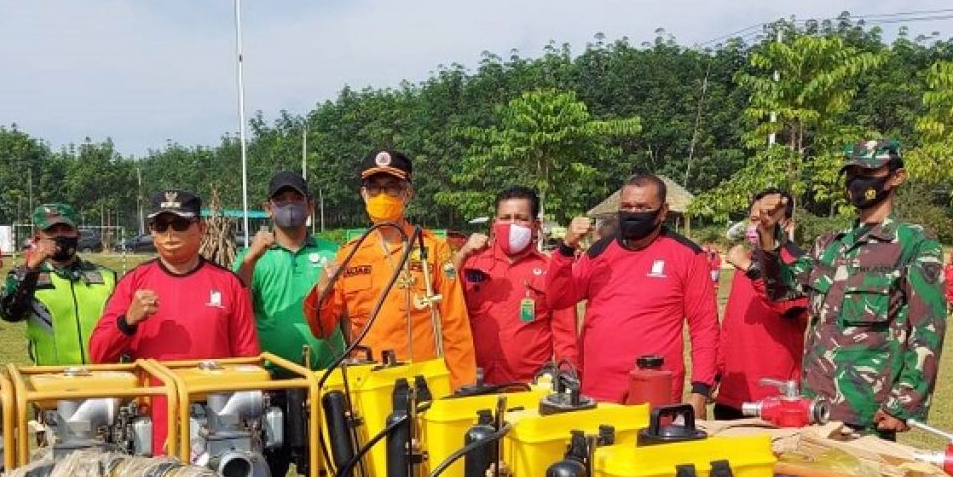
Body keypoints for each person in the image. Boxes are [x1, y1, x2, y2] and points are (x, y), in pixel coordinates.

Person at [754, 139, 946, 437]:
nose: (858, 181)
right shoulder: (830, 244)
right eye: (852, 172)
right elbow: (783, 290)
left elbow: (928, 330)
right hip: (812, 406)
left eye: (868, 172)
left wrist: (904, 405)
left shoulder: (914, 244)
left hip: (867, 413)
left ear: (896, 177)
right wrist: (768, 236)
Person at [89, 190, 259, 454]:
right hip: (151, 432)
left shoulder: (229, 285)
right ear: (152, 232)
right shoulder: (133, 284)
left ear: (200, 229)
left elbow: (249, 363)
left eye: (180, 224)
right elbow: (98, 354)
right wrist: (128, 321)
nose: (170, 234)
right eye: (160, 225)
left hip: (216, 429)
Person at [545, 173, 719, 414]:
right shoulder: (600, 252)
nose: (633, 213)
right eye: (627, 207)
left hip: (655, 388)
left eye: (643, 207)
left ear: (662, 211)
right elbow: (557, 298)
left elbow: (704, 327)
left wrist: (700, 390)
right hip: (598, 388)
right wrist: (565, 250)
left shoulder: (688, 256)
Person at [304, 149, 476, 392]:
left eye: (392, 187)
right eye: (374, 188)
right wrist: (322, 288)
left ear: (407, 194)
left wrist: (462, 389)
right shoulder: (349, 254)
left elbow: (455, 325)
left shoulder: (434, 249)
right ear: (364, 194)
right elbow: (321, 329)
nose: (382, 195)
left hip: (424, 383)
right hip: (369, 385)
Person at [234, 171, 342, 477]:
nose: (289, 206)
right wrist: (251, 258)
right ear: (268, 208)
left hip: (323, 381)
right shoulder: (253, 257)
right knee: (270, 476)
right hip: (273, 385)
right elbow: (235, 303)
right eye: (281, 200)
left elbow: (348, 313)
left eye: (296, 199)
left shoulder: (332, 254)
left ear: (310, 207)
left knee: (328, 475)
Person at [453, 186, 579, 384]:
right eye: (505, 218)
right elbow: (442, 301)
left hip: (527, 385)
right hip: (473, 382)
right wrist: (461, 255)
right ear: (494, 224)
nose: (512, 224)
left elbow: (565, 334)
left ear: (535, 225)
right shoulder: (472, 263)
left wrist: (567, 375)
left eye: (521, 218)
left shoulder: (551, 271)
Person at [715, 189, 808, 419]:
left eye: (768, 218)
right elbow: (730, 326)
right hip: (732, 393)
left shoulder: (799, 263)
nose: (759, 225)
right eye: (755, 219)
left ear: (786, 223)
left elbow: (786, 305)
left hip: (773, 397)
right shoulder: (746, 261)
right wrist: (716, 374)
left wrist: (751, 269)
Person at [0, 203, 117, 365]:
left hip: (104, 377)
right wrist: (31, 269)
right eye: (51, 231)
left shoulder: (107, 277)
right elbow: (9, 313)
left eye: (66, 230)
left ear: (77, 234)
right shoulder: (25, 276)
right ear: (37, 237)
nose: (60, 235)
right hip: (51, 381)